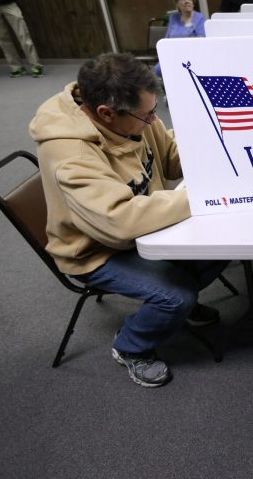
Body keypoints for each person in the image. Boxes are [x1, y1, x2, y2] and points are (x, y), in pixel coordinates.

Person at [29, 53, 229, 388]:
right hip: (94, 251)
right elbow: (119, 221)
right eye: (148, 114)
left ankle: (177, 302)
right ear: (106, 113)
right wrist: (201, 198)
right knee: (176, 297)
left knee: (224, 242)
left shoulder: (132, 117)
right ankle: (131, 346)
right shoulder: (71, 154)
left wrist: (221, 149)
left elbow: (170, 158)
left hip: (140, 230)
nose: (154, 120)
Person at [154, 0, 206, 77]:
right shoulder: (173, 18)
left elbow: (202, 40)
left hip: (191, 55)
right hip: (173, 54)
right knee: (158, 69)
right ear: (177, 3)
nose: (187, 1)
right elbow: (167, 38)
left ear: (193, 3)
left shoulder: (199, 18)